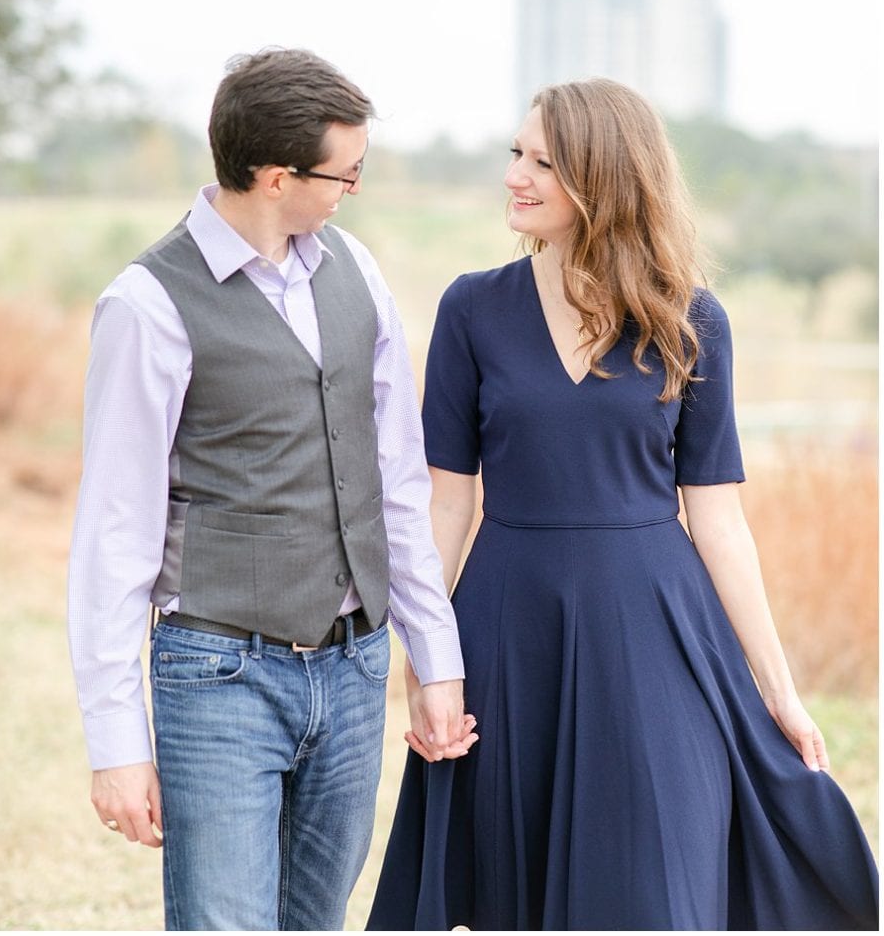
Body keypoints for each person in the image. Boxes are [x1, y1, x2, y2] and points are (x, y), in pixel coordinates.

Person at [368, 79, 879, 930]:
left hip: (659, 633)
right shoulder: (471, 309)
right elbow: (446, 508)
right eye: (515, 153)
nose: (515, 176)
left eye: (543, 162)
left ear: (603, 180)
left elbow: (718, 520)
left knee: (655, 884)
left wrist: (779, 689)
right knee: (516, 891)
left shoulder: (692, 321)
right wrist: (427, 662)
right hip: (509, 626)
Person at [69, 48, 477, 931]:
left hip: (356, 663)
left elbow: (398, 483)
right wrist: (116, 742)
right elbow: (115, 534)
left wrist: (433, 656)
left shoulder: (356, 273)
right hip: (219, 673)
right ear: (274, 175)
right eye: (345, 174)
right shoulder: (146, 305)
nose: (353, 191)